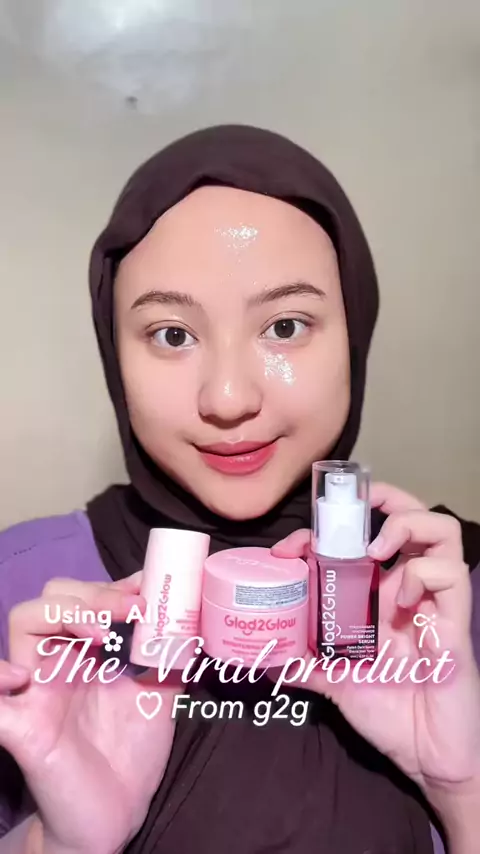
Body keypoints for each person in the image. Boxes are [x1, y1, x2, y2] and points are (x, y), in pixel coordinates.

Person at [0, 124, 479, 854]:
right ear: (112, 350)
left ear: (354, 332)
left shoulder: (448, 603)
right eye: (172, 335)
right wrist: (58, 844)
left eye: (285, 326)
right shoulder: (26, 598)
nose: (228, 398)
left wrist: (463, 790)